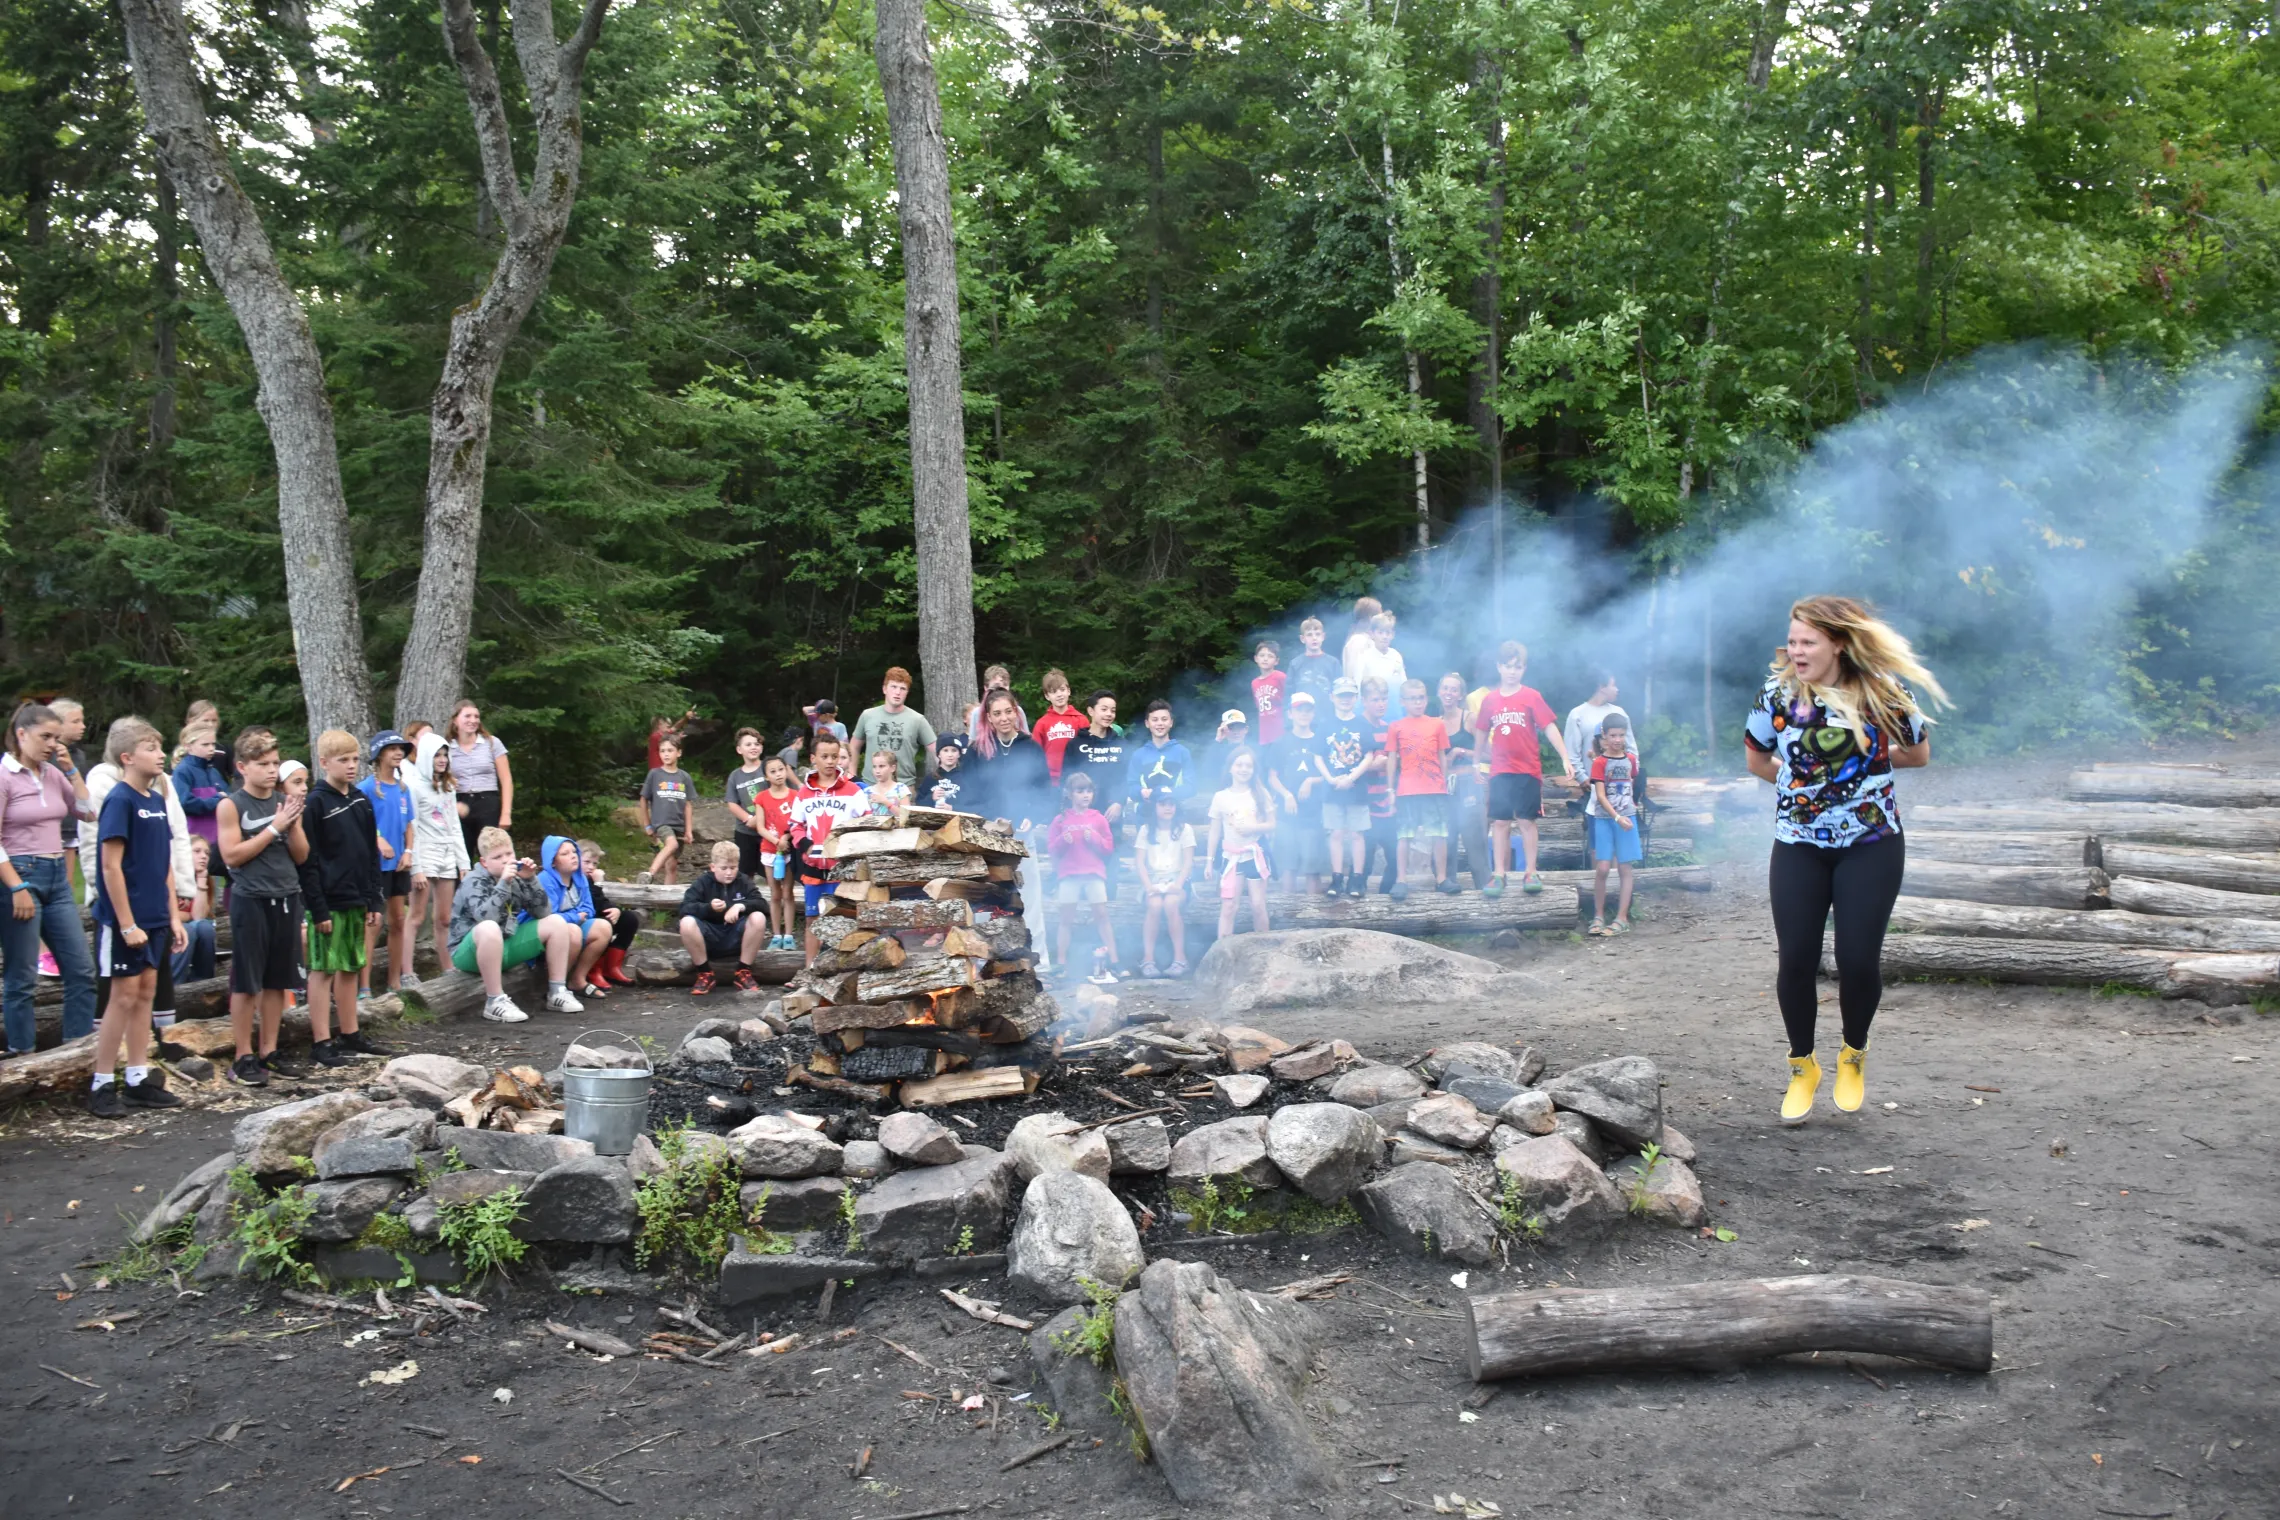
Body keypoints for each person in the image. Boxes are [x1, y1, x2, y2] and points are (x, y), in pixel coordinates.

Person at [1744, 595, 1943, 1124]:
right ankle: (1801, 1065)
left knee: (1856, 960)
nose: (1796, 650)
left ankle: (1853, 1053)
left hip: (1871, 844)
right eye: (1792, 640)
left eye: (1808, 641)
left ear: (1837, 643)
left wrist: (1862, 768)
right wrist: (1803, 789)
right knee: (1796, 961)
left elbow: (1918, 754)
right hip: (1797, 844)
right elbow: (1755, 758)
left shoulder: (1881, 692)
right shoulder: (1776, 694)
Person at [85, 717, 185, 1118]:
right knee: (122, 995)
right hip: (124, 920)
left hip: (156, 917)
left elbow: (162, 864)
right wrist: (126, 924)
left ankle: (138, 1078)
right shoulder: (120, 800)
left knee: (145, 991)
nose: (160, 754)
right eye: (150, 747)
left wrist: (173, 916)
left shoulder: (157, 798)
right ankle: (102, 1082)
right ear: (127, 757)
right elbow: (111, 867)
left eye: (160, 747)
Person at [0, 702, 95, 1057]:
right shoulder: (5, 776)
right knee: (22, 975)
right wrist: (16, 887)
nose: (52, 745)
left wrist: (71, 772)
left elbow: (87, 813)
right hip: (20, 875)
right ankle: (22, 1053)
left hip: (57, 877)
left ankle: (76, 1052)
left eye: (56, 738)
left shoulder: (52, 773)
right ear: (21, 734)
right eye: (45, 737)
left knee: (81, 971)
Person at [217, 730, 308, 1082]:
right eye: (263, 764)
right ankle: (243, 1055)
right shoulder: (231, 805)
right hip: (250, 899)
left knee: (277, 981)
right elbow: (231, 856)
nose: (272, 771)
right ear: (243, 767)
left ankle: (269, 1050)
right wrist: (274, 828)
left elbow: (301, 856)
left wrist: (293, 824)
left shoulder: (283, 802)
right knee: (247, 982)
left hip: (286, 896)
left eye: (274, 763)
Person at [303, 730, 389, 1065]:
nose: (351, 766)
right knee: (324, 968)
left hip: (358, 897)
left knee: (352, 964)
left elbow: (370, 852)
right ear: (324, 763)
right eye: (343, 760)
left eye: (355, 759)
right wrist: (317, 906)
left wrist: (372, 898)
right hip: (327, 901)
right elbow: (308, 860)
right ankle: (321, 1041)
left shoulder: (361, 800)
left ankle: (350, 1033)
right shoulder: (316, 803)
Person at [1474, 640, 1579, 897]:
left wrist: (1565, 756)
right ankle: (1498, 873)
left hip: (1527, 770)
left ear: (1524, 669)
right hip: (1500, 770)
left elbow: (1550, 727)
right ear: (1499, 667)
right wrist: (1477, 761)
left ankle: (1530, 871)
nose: (1512, 671)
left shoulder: (1531, 696)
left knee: (1526, 820)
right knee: (1499, 821)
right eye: (1508, 666)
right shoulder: (1490, 700)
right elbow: (1480, 731)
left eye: (1517, 667)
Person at [449, 827, 576, 1022]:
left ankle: (557, 991)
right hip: (469, 952)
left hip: (505, 943)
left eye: (509, 853)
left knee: (557, 922)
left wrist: (531, 879)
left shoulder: (517, 877)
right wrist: (503, 883)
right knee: (489, 928)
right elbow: (485, 917)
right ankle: (494, 1001)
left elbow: (543, 912)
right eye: (498, 857)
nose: (506, 859)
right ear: (484, 862)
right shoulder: (473, 881)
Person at [789, 735, 865, 965]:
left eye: (834, 756)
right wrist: (806, 846)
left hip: (842, 868)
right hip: (813, 867)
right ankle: (810, 969)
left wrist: (851, 847)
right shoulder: (804, 792)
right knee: (813, 918)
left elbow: (866, 822)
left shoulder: (853, 791)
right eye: (825, 756)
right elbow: (795, 825)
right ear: (813, 759)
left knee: (843, 918)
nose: (830, 761)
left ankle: (842, 968)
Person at [1384, 678, 1459, 898]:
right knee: (1404, 836)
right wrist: (1390, 790)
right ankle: (1401, 880)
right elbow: (1391, 759)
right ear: (1403, 701)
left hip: (1434, 788)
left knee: (1439, 834)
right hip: (1407, 789)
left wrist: (1443, 783)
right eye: (1412, 699)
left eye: (1421, 698)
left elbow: (1442, 755)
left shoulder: (1437, 724)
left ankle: (1442, 878)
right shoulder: (1396, 727)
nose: (1418, 702)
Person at [404, 729, 468, 984]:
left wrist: (463, 863)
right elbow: (413, 828)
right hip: (424, 853)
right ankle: (407, 972)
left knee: (444, 917)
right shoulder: (413, 787)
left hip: (446, 855)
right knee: (416, 915)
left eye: (445, 755)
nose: (442, 760)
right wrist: (416, 867)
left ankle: (448, 967)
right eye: (437, 756)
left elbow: (454, 826)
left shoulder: (448, 787)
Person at [1047, 771, 1120, 983]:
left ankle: (1114, 961)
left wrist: (1095, 838)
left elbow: (1108, 848)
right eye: (1080, 791)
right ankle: (1061, 964)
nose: (1085, 795)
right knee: (1066, 919)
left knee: (1102, 916)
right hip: (1069, 874)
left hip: (1093, 873)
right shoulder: (1060, 820)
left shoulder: (1098, 818)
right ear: (1070, 794)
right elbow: (1052, 849)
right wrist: (1063, 840)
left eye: (1088, 791)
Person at [360, 730, 415, 997]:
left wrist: (409, 851)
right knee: (373, 923)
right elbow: (359, 825)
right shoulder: (366, 788)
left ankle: (395, 982)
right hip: (374, 867)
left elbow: (408, 826)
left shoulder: (404, 789)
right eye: (392, 748)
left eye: (401, 748)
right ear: (380, 754)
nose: (398, 753)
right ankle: (364, 986)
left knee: (398, 920)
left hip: (399, 867)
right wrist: (378, 839)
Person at [677, 840, 771, 995]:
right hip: (709, 937)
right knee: (686, 922)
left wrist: (740, 906)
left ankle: (743, 971)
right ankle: (705, 972)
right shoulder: (702, 883)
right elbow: (685, 908)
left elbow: (762, 904)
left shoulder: (743, 881)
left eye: (733, 868)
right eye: (724, 868)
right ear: (713, 867)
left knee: (758, 917)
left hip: (735, 936)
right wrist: (709, 908)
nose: (729, 873)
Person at [1206, 747, 1275, 939]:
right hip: (1231, 857)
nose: (1243, 769)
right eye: (1239, 765)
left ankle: (1264, 948)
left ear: (1253, 770)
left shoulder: (1260, 794)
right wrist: (1209, 860)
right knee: (1229, 906)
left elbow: (1271, 824)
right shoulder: (1221, 797)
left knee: (1258, 904)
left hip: (1254, 854)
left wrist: (1253, 828)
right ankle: (1222, 950)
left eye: (1248, 766)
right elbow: (1214, 831)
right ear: (1230, 768)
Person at [1585, 713, 1643, 937]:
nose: (1617, 739)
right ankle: (1598, 915)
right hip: (1605, 820)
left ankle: (1622, 917)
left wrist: (1629, 808)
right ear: (1604, 736)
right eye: (1613, 735)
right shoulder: (1600, 763)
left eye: (1621, 735)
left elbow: (1632, 781)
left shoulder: (1630, 759)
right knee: (1602, 868)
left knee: (1625, 868)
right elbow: (1600, 795)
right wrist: (1617, 817)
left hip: (1627, 819)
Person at [1315, 676, 1373, 898]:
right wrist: (1330, 778)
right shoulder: (1325, 725)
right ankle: (1337, 878)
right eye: (1341, 696)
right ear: (1332, 697)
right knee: (1336, 833)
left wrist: (1352, 777)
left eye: (1349, 695)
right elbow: (1317, 756)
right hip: (1332, 789)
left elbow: (1369, 755)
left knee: (1357, 833)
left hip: (1356, 788)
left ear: (1356, 698)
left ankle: (1357, 878)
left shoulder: (1362, 724)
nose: (1345, 699)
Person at [1265, 690, 1327, 895]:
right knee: (1288, 868)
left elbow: (1330, 775)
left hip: (1313, 814)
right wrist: (1286, 795)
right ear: (1290, 714)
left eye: (1308, 710)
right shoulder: (1280, 743)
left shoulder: (1321, 741)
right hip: (1287, 815)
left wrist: (1311, 780)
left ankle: (1313, 920)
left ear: (1313, 714)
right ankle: (1288, 918)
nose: (1303, 714)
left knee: (1312, 869)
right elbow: (1272, 777)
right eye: (1299, 710)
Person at [539, 834, 615, 998]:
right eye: (565, 854)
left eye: (574, 852)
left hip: (570, 922)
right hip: (544, 930)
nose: (573, 856)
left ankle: (577, 979)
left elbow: (588, 908)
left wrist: (578, 916)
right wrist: (575, 916)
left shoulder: (579, 877)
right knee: (572, 931)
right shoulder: (546, 880)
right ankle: (555, 987)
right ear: (553, 861)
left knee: (603, 927)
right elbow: (548, 916)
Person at [1439, 671, 1492, 891]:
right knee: (1447, 838)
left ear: (1461, 695)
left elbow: (1490, 754)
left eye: (1454, 689)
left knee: (1475, 841)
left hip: (1470, 783)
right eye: (1445, 688)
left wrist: (1463, 751)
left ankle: (1486, 890)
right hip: (1445, 787)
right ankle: (1449, 891)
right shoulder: (1436, 723)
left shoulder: (1469, 719)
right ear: (1439, 692)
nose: (1449, 693)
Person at [1133, 792, 1195, 978]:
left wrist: (1178, 884)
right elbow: (1140, 863)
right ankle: (1148, 959)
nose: (1168, 808)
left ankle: (1180, 959)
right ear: (1154, 807)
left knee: (1170, 903)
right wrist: (1148, 886)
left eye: (1171, 803)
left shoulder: (1185, 829)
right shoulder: (1145, 830)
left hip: (1178, 880)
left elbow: (1188, 862)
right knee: (1155, 905)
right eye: (1163, 804)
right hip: (1153, 881)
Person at [446, 700, 513, 863]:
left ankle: (498, 887)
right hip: (460, 804)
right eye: (467, 716)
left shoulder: (491, 743)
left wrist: (506, 814)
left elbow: (506, 780)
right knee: (461, 856)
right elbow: (439, 779)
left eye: (476, 716)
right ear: (455, 720)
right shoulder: (447, 747)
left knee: (494, 853)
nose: (473, 720)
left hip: (487, 802)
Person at [172, 724, 230, 904]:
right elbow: (183, 802)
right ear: (188, 746)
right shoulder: (183, 771)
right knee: (200, 885)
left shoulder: (212, 771)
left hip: (218, 838)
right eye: (205, 744)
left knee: (232, 875)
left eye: (213, 744)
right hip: (196, 840)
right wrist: (215, 801)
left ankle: (229, 911)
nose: (211, 748)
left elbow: (227, 796)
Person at [850, 667, 939, 784]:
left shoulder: (917, 719)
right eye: (894, 687)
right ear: (884, 689)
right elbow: (853, 746)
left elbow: (937, 750)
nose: (898, 692)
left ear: (907, 693)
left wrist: (947, 777)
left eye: (903, 688)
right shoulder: (868, 715)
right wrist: (851, 776)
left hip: (903, 787)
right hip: (870, 786)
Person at [576, 840, 640, 988]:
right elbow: (591, 902)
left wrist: (614, 909)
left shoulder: (588, 878)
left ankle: (611, 968)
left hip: (593, 918)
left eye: (595, 864)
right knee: (604, 923)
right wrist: (598, 884)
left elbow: (602, 901)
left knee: (629, 919)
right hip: (582, 921)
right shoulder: (575, 879)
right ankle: (594, 970)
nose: (591, 867)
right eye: (587, 862)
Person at [752, 755, 799, 949]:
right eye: (773, 771)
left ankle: (789, 935)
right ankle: (775, 934)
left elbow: (797, 822)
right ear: (766, 776)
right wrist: (776, 841)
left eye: (781, 769)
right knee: (774, 893)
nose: (778, 774)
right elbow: (760, 826)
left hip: (789, 849)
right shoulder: (761, 797)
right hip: (770, 850)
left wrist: (786, 839)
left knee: (788, 892)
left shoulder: (795, 796)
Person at [1358, 676, 1398, 893]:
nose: (1380, 704)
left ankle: (1384, 901)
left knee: (1396, 858)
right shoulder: (1356, 727)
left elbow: (1395, 761)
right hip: (1365, 806)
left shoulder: (1389, 728)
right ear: (1364, 701)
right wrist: (1373, 765)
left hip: (1387, 803)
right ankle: (1358, 908)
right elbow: (1349, 765)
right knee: (1364, 861)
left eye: (1384, 699)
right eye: (1375, 699)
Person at [641, 733, 695, 885]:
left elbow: (688, 805)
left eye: (670, 750)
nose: (666, 754)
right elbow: (643, 799)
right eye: (662, 750)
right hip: (661, 824)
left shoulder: (684, 777)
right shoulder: (654, 774)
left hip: (678, 824)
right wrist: (647, 825)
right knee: (672, 844)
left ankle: (666, 899)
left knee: (671, 865)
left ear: (679, 753)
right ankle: (649, 874)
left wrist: (689, 830)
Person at [1068, 692, 1126, 826]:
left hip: (1112, 814)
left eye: (1113, 710)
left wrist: (1119, 802)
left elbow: (1126, 777)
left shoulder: (1121, 744)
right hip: (1081, 814)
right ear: (1091, 711)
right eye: (1104, 709)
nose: (1109, 714)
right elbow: (1068, 778)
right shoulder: (1075, 744)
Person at [1125, 700, 1191, 813]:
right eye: (1155, 720)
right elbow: (1131, 787)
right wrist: (1141, 792)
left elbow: (1191, 787)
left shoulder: (1182, 752)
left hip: (1175, 815)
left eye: (1164, 719)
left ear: (1171, 722)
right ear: (1147, 723)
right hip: (1145, 815)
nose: (1160, 723)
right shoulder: (1138, 755)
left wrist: (1168, 793)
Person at [724, 726, 771, 881]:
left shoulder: (768, 768)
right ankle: (745, 902)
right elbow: (732, 802)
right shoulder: (735, 776)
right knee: (744, 872)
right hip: (745, 832)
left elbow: (776, 793)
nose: (753, 747)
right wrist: (747, 819)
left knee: (770, 871)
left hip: (770, 830)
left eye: (756, 744)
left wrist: (759, 818)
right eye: (748, 744)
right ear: (739, 749)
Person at [1564, 670, 1636, 768]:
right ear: (1602, 687)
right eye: (1613, 685)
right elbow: (1572, 753)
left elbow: (1631, 748)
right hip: (1590, 780)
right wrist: (1582, 778)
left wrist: (1632, 774)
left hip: (1620, 780)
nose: (1617, 689)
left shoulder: (1619, 712)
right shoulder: (1577, 714)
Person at [172, 835, 219, 985]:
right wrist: (187, 915)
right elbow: (166, 915)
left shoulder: (205, 880)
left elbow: (199, 917)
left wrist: (201, 879)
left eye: (207, 853)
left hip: (186, 930)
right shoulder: (170, 876)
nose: (203, 856)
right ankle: (173, 985)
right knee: (188, 930)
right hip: (162, 933)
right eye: (197, 851)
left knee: (204, 928)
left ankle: (202, 983)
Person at [1029, 670, 1084, 783]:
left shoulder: (1081, 720)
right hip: (1051, 781)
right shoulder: (1041, 724)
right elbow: (1035, 755)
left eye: (1062, 690)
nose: (1059, 694)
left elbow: (1087, 751)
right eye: (1053, 691)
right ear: (1047, 696)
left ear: (1069, 691)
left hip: (1077, 780)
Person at [1287, 618, 1342, 709]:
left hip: (1327, 713)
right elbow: (1289, 693)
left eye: (1317, 634)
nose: (1314, 638)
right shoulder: (1295, 664)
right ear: (1302, 638)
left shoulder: (1333, 663)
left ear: (1323, 637)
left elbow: (1339, 690)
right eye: (1309, 635)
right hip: (1302, 713)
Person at [1349, 612, 1408, 696]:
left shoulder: (1396, 656)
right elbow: (1358, 684)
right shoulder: (1364, 657)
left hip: (1394, 702)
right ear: (1372, 634)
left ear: (1393, 635)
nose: (1384, 636)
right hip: (1372, 704)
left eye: (1388, 633)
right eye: (1380, 633)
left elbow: (1403, 683)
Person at [965, 666, 1028, 742]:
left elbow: (1026, 738)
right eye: (996, 686)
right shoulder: (977, 713)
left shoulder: (1018, 711)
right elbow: (973, 742)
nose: (1001, 689)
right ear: (986, 687)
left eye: (1005, 685)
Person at [1249, 641, 1287, 745]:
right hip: (1265, 734)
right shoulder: (1254, 683)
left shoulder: (1280, 677)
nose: (1265, 659)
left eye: (1270, 656)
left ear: (1276, 661)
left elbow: (1288, 701)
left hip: (1281, 731)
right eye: (1262, 655)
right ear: (1256, 658)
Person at [1339, 597, 1385, 680]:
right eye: (1380, 612)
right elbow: (1354, 673)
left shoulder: (1370, 640)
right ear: (1370, 617)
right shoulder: (1358, 641)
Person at [1205, 709, 1250, 791]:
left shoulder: (1255, 750)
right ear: (1224, 729)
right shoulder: (1218, 751)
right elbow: (1208, 771)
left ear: (1246, 729)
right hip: (1225, 796)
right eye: (1231, 728)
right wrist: (1218, 739)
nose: (1236, 732)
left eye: (1239, 727)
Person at [647, 706, 700, 771]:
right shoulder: (655, 736)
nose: (668, 725)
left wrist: (686, 718)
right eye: (666, 724)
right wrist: (678, 737)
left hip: (664, 771)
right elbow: (668, 741)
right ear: (659, 724)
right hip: (658, 773)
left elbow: (675, 727)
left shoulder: (662, 734)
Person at [924, 732, 967, 812]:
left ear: (959, 754)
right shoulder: (930, 779)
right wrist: (931, 798)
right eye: (945, 750)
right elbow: (919, 804)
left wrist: (953, 808)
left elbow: (974, 805)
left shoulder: (966, 778)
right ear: (939, 754)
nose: (950, 755)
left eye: (954, 750)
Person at [862, 748, 911, 814]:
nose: (877, 771)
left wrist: (886, 802)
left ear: (893, 768)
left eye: (881, 766)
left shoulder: (901, 789)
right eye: (874, 766)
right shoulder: (867, 792)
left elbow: (906, 815)